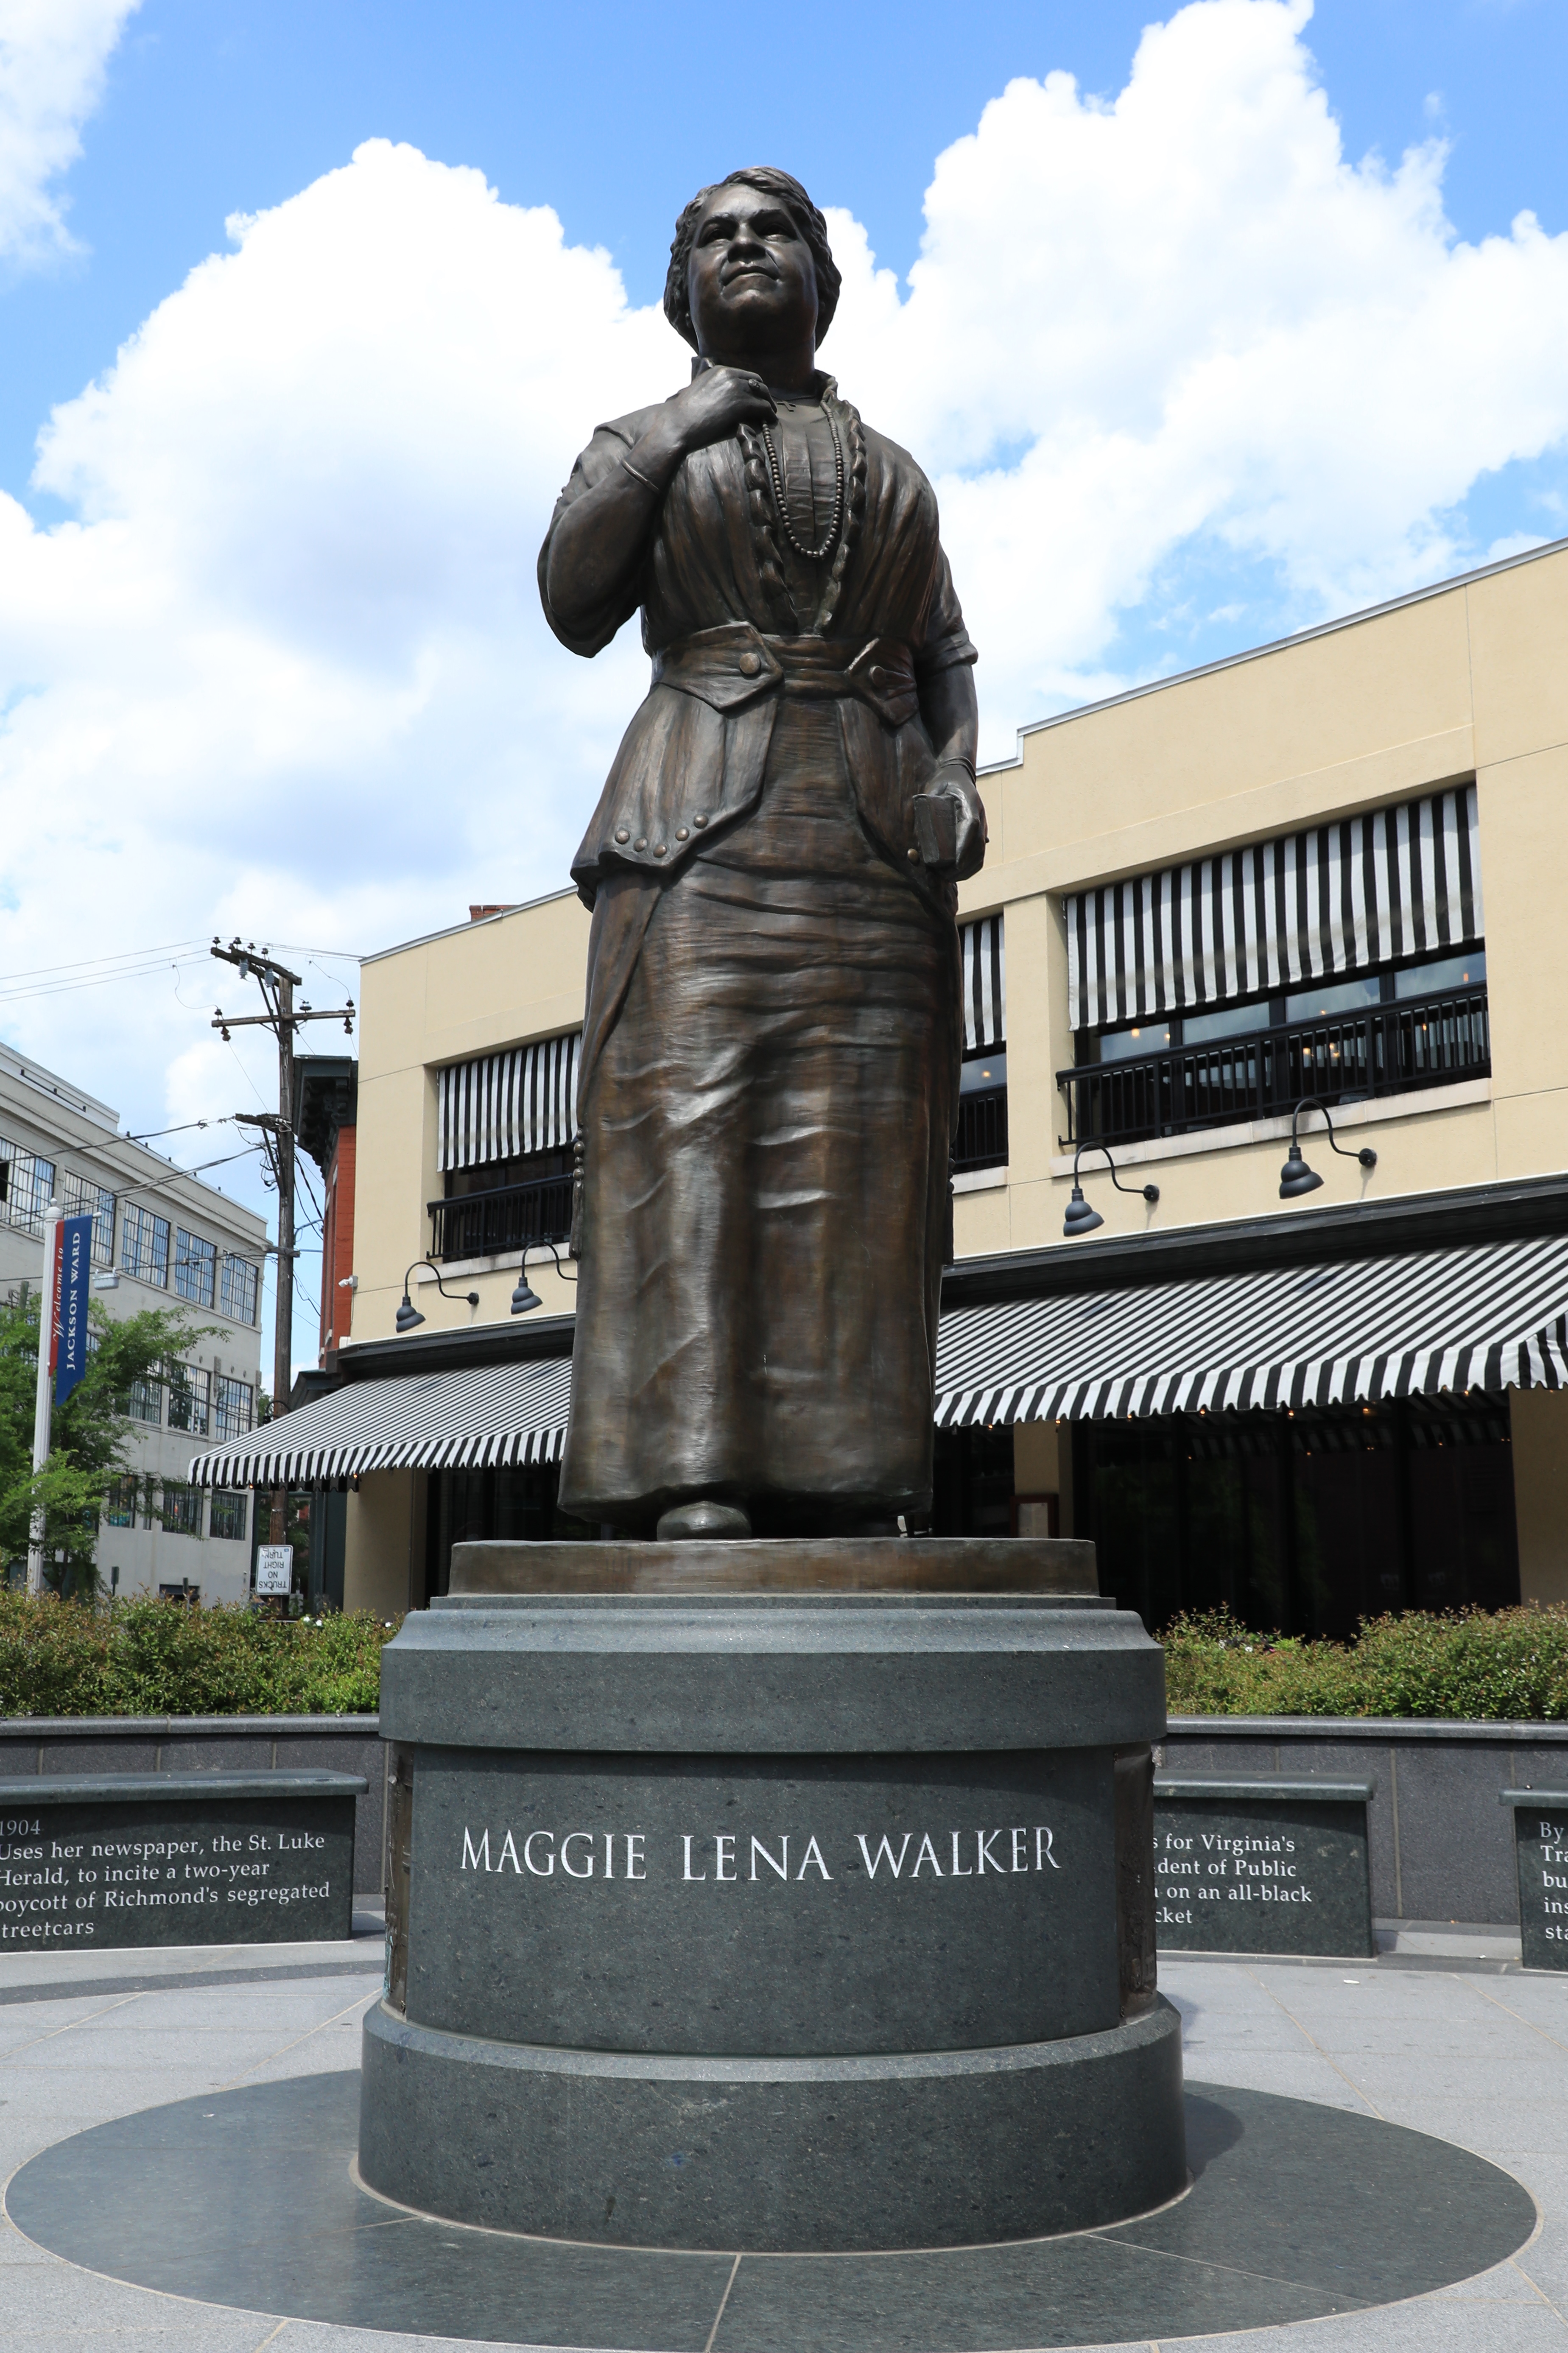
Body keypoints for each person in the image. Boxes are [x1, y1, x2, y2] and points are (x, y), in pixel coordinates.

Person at [539, 165, 985, 1541]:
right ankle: (688, 1473)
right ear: (681, 289)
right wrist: (673, 428)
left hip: (867, 832)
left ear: (821, 278)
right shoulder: (641, 441)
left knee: (861, 1154)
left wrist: (956, 773)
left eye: (772, 231)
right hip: (698, 829)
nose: (746, 249)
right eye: (716, 238)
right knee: (689, 1135)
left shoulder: (894, 472)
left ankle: (846, 1474)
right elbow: (569, 601)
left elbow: (947, 657)